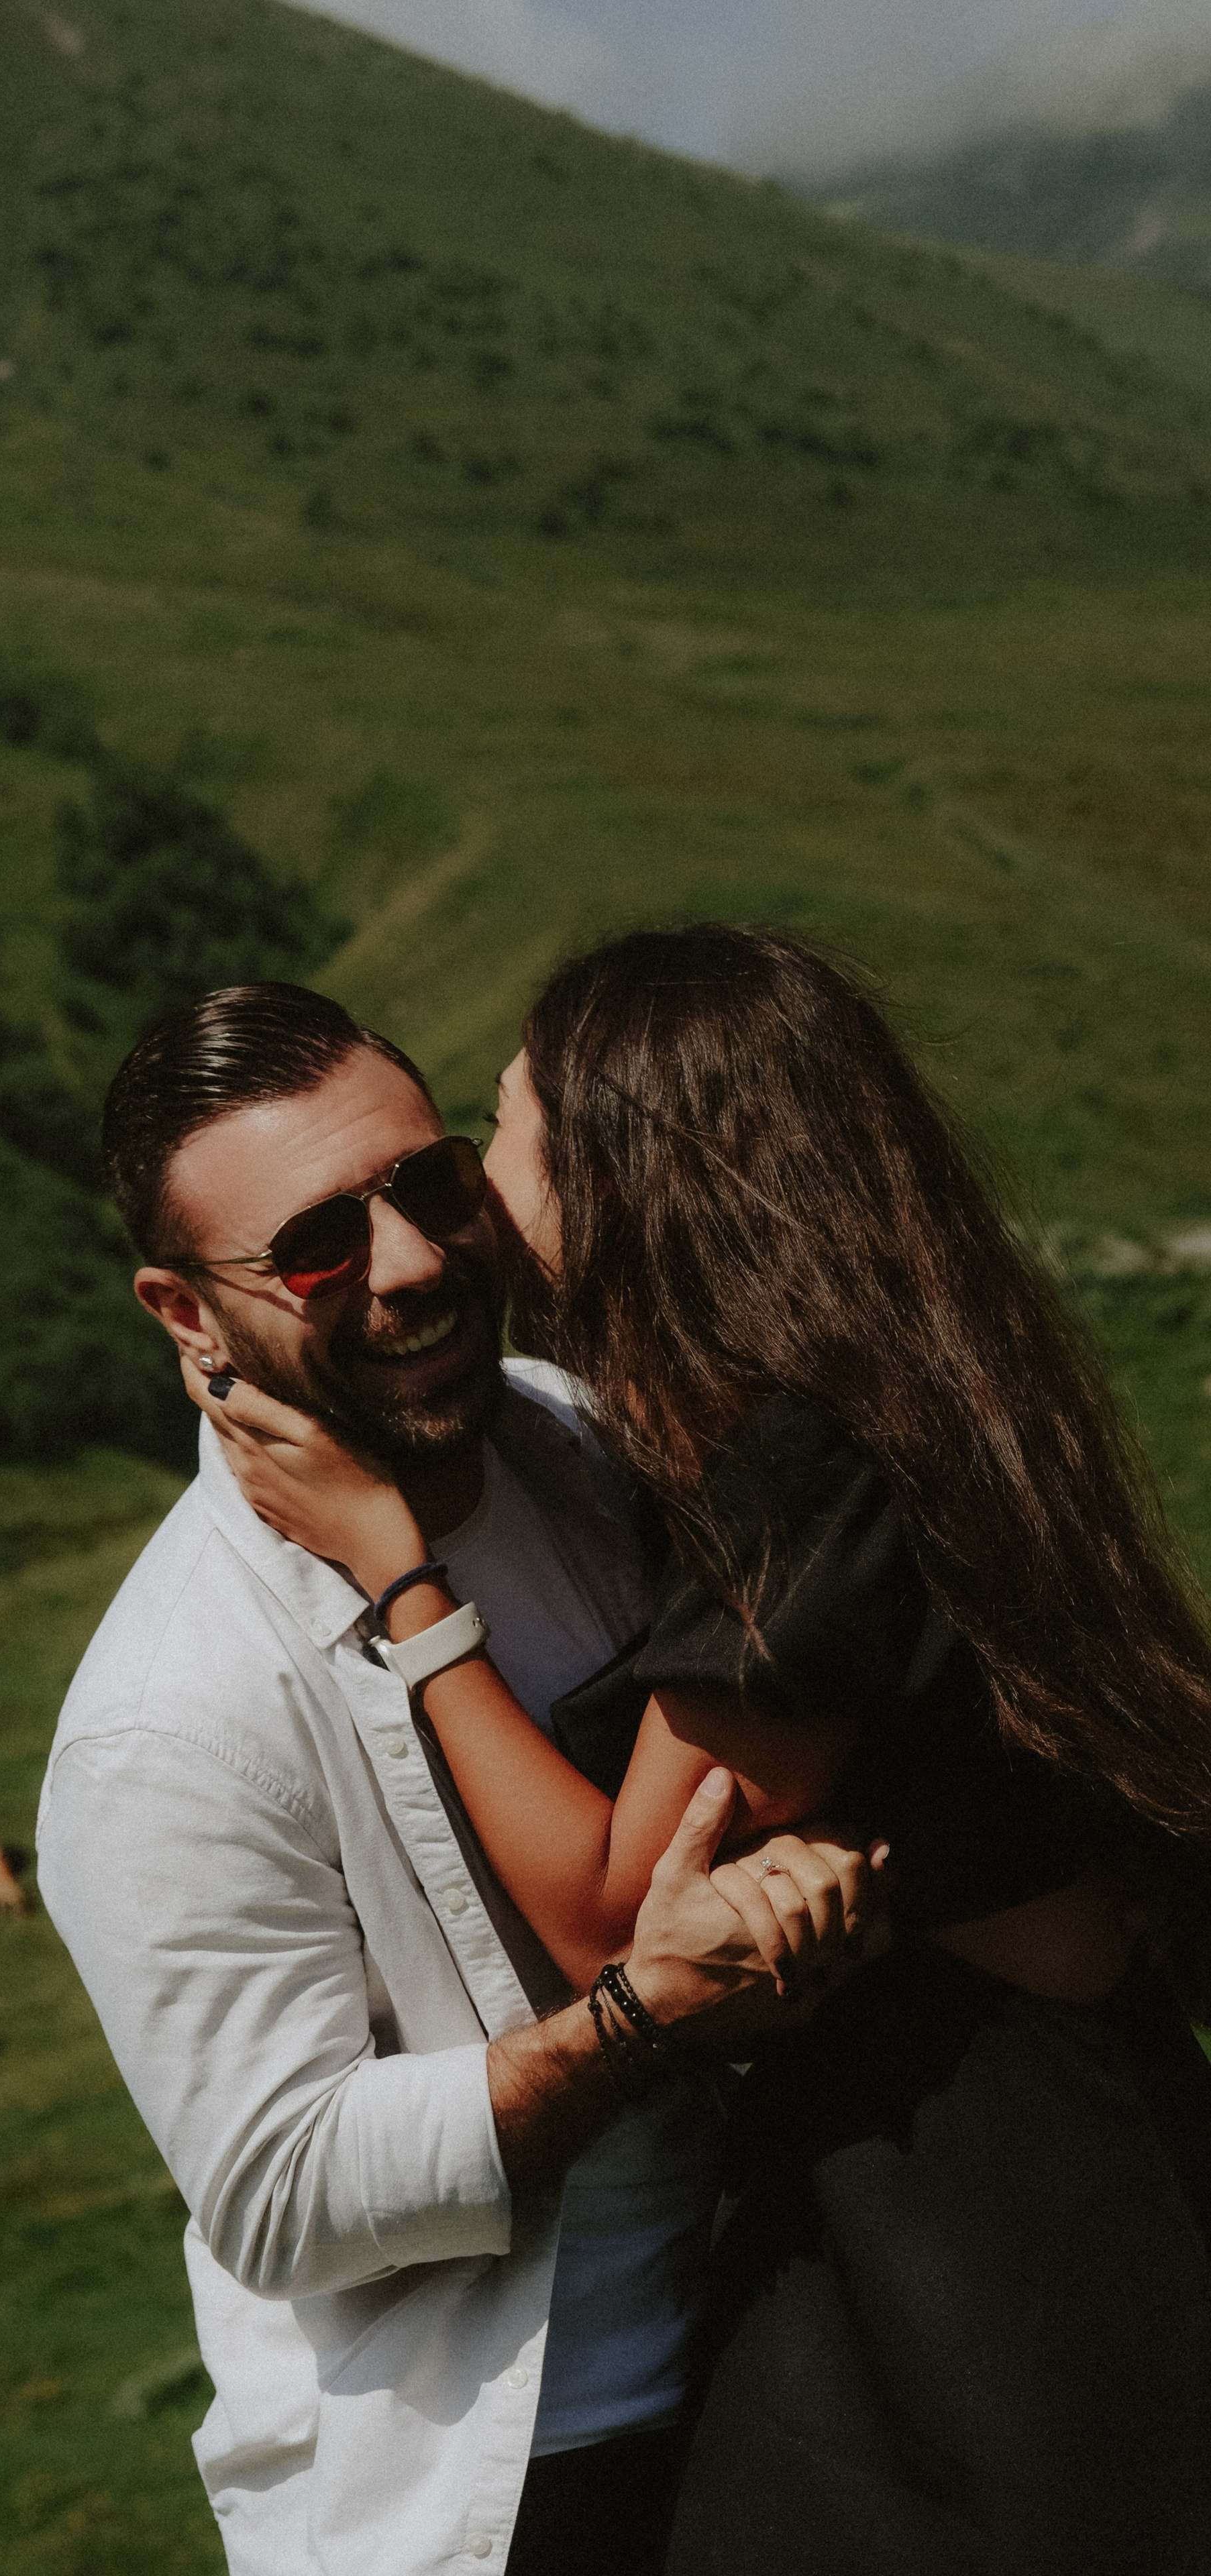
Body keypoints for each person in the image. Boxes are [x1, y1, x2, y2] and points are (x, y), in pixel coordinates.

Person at [193, 926, 1211, 2576]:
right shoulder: (845, 1400)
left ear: (621, 1175)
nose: (469, 1195)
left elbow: (611, 1914)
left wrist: (399, 1577)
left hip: (974, 2221)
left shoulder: (801, 1471)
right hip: (984, 2159)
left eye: (506, 1133)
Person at [36, 980, 881, 2576]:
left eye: (427, 1185)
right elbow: (281, 2191)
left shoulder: (580, 1440)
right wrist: (632, 2028)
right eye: (315, 1247)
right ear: (183, 1314)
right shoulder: (166, 1718)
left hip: (786, 2339)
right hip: (519, 2473)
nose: (413, 1262)